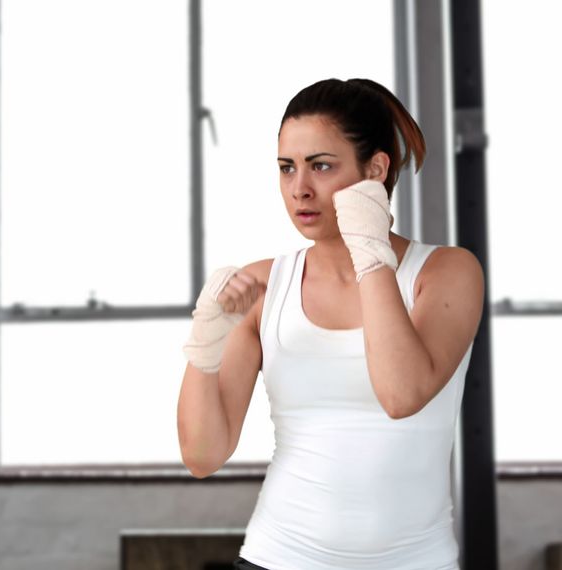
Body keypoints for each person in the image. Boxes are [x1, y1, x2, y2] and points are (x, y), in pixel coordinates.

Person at [176, 78, 485, 569]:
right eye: (286, 168)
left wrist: (369, 249)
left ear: (376, 170)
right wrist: (204, 346)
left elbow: (401, 394)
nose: (300, 188)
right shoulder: (263, 284)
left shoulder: (445, 273)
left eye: (321, 166)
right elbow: (202, 455)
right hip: (277, 558)